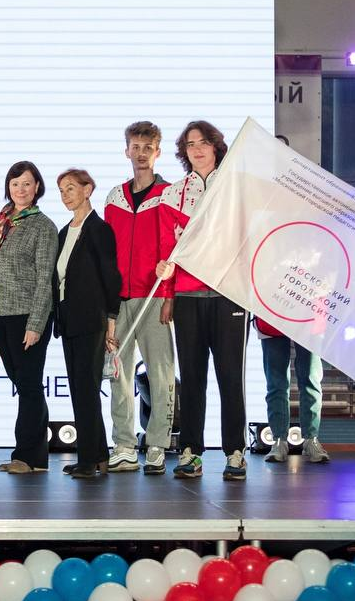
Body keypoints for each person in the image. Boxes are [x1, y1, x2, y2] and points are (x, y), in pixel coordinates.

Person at [156, 121, 250, 481]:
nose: (196, 149)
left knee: (230, 377)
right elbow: (167, 250)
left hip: (230, 295)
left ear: (216, 147)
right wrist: (167, 291)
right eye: (190, 144)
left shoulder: (238, 189)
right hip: (188, 296)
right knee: (192, 378)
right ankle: (191, 451)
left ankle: (235, 452)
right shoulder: (172, 195)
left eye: (203, 143)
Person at [102, 121, 176, 474]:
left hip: (154, 297)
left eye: (148, 147)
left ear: (157, 152)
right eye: (136, 147)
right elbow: (107, 255)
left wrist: (168, 295)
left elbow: (175, 249)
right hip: (119, 301)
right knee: (119, 374)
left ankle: (158, 443)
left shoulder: (170, 195)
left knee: (161, 374)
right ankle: (124, 445)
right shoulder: (114, 198)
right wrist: (107, 304)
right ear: (127, 151)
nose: (142, 153)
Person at [0, 161, 57, 475]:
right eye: (15, 183)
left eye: (26, 183)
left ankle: (26, 456)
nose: (20, 189)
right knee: (25, 384)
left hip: (28, 316)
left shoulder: (43, 226)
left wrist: (36, 324)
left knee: (29, 385)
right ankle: (37, 457)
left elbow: (45, 278)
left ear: (37, 187)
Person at [53, 169, 121, 481]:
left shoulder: (99, 229)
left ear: (88, 189)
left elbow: (111, 277)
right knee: (81, 390)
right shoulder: (63, 232)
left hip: (92, 320)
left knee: (87, 390)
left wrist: (111, 320)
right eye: (61, 190)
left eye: (71, 188)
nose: (65, 195)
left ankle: (89, 459)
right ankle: (97, 456)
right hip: (69, 320)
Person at [256, 318, 328, 463]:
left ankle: (311, 439)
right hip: (271, 317)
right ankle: (279, 441)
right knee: (276, 383)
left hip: (309, 318)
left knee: (311, 380)